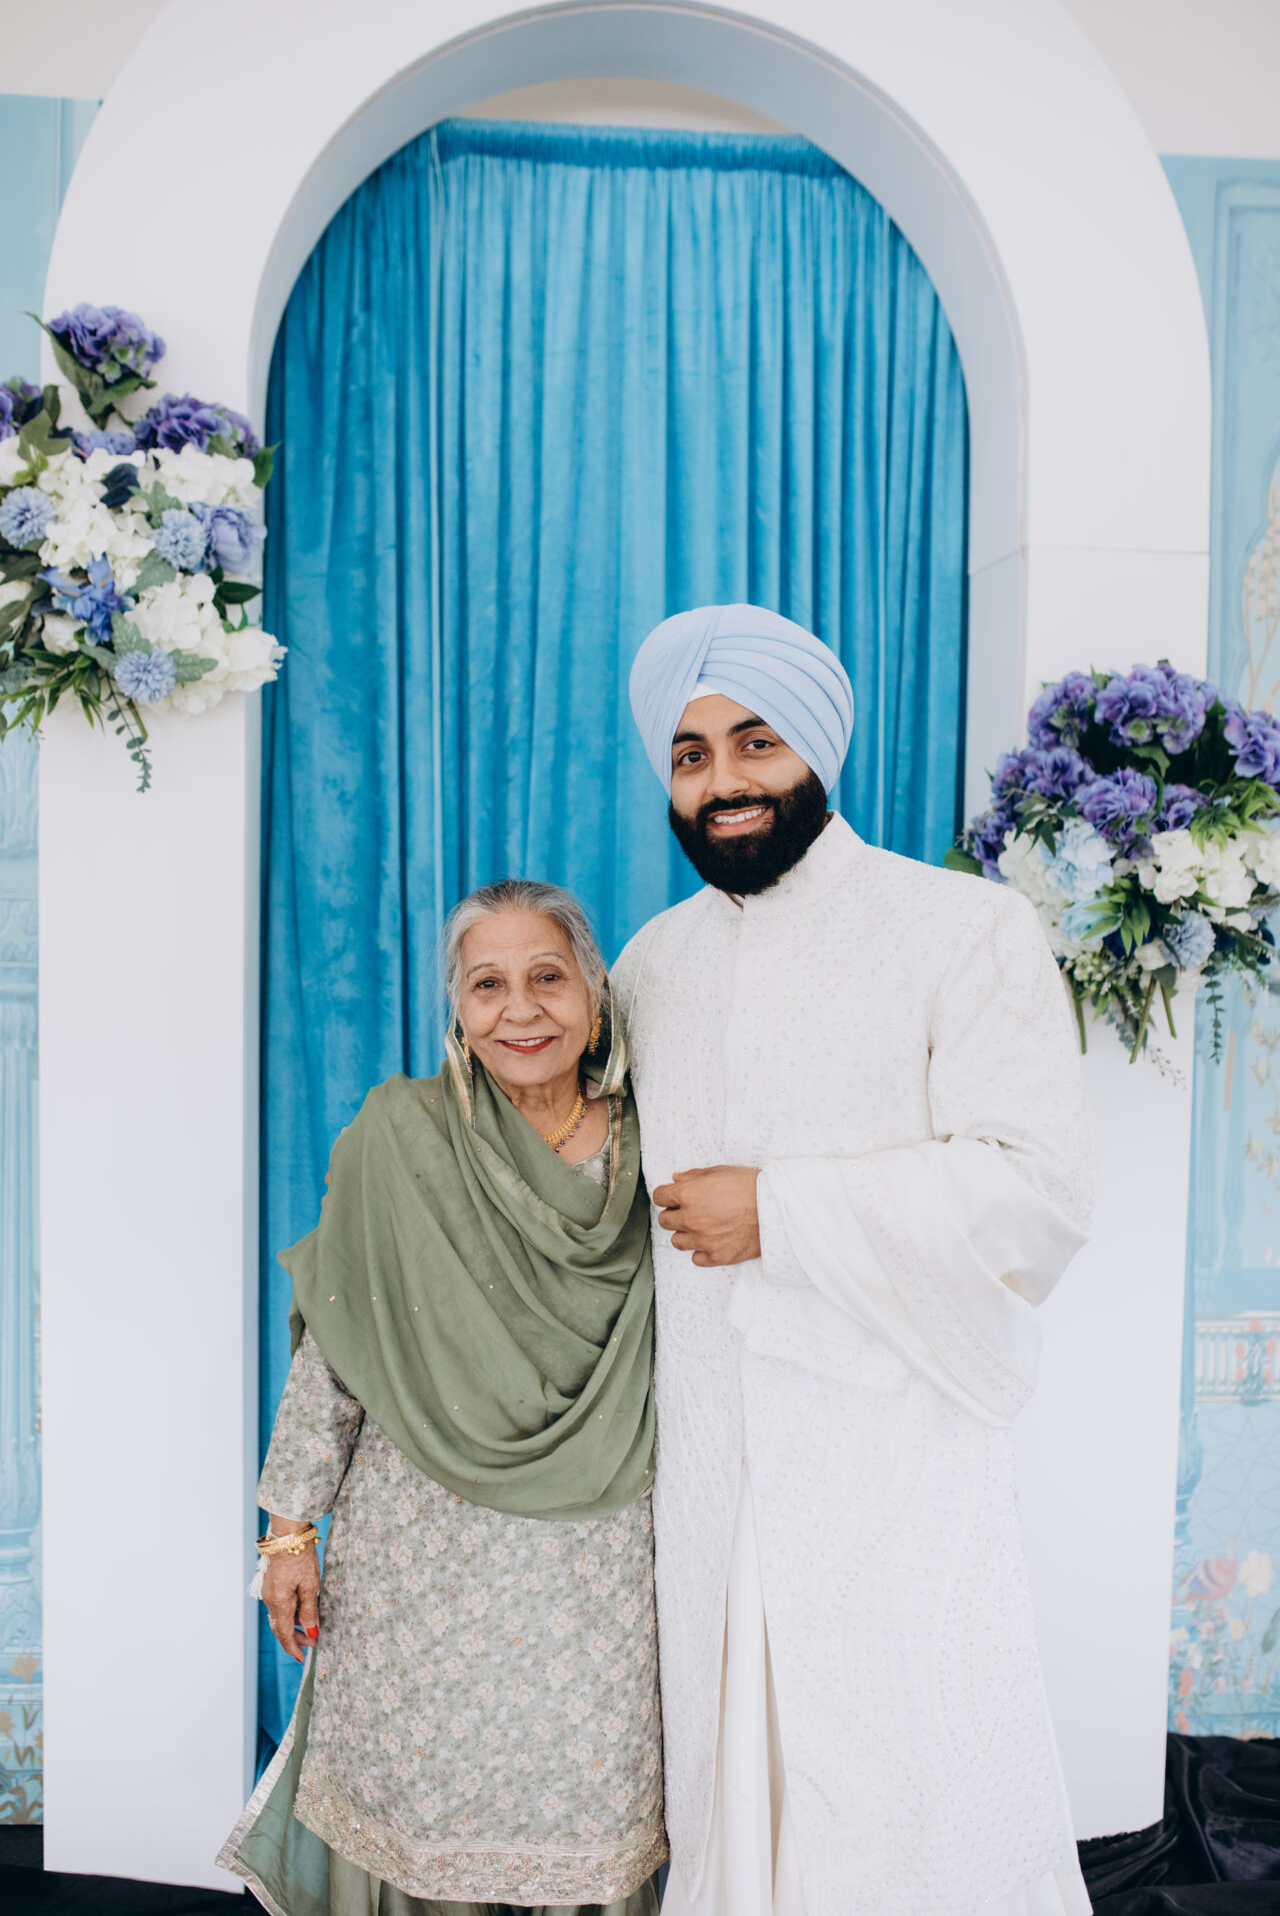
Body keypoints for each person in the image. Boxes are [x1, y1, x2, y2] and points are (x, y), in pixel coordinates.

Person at [613, 604, 1094, 1916]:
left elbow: (1038, 1191)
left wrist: (783, 1210)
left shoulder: (962, 930)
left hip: (892, 1461)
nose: (723, 781)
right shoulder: (652, 965)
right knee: (734, 1790)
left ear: (816, 751)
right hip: (707, 1462)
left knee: (911, 1790)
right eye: (691, 755)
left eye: (754, 743)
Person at [219, 880, 665, 1916]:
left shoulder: (660, 1142)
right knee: (416, 1808)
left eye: (547, 978)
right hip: (418, 1554)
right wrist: (289, 1534)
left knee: (589, 1818)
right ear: (456, 1007)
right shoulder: (400, 1135)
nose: (521, 1011)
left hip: (595, 1561)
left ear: (594, 995)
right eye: (487, 985)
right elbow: (334, 1352)